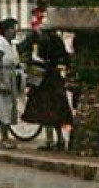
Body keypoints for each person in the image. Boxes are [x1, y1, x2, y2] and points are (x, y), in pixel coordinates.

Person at [21, 9, 73, 151]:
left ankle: (50, 140)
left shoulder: (38, 38)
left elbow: (25, 51)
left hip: (42, 77)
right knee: (56, 109)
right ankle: (60, 139)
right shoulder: (57, 39)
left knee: (45, 110)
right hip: (54, 77)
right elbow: (66, 58)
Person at [0, 18, 26, 149]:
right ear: (6, 30)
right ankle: (4, 138)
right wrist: (1, 82)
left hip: (10, 75)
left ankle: (6, 136)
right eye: (12, 29)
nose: (15, 31)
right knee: (3, 108)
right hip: (0, 76)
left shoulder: (11, 44)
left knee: (9, 107)